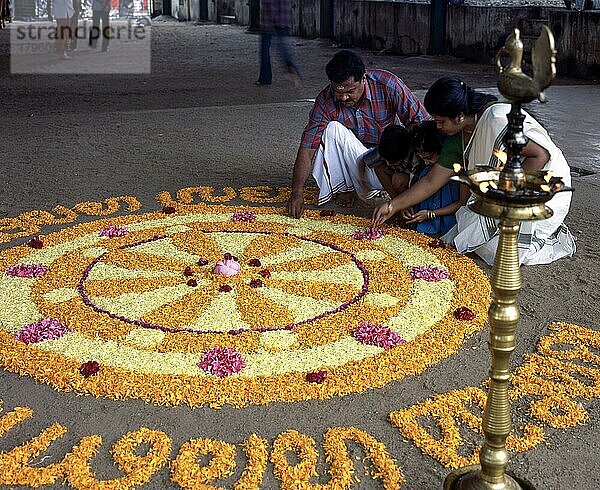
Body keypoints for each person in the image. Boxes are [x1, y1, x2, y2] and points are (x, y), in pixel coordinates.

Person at [373, 76, 576, 266]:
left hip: (543, 186)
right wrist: (392, 206)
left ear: (460, 116)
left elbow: (540, 156)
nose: (438, 127)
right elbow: (430, 182)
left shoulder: (496, 120)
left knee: (498, 252)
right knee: (468, 233)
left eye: (441, 121)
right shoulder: (457, 138)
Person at [286, 50, 429, 218]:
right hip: (363, 164)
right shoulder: (325, 100)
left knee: (402, 175)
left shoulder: (388, 85)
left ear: (364, 79)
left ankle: (367, 188)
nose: (344, 97)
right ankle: (347, 187)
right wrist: (297, 192)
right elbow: (308, 147)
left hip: (390, 160)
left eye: (350, 91)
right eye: (338, 92)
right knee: (332, 130)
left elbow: (421, 123)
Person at [400, 120, 463, 235]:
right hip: (426, 223)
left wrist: (431, 214)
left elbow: (461, 203)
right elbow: (418, 192)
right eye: (422, 158)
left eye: (429, 157)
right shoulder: (425, 170)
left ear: (443, 150)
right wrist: (406, 205)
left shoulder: (457, 173)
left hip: (450, 223)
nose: (426, 162)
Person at [256, 0, 301, 86]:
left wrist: (270, 22)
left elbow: (272, 6)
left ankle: (265, 78)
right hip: (284, 20)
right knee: (282, 47)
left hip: (270, 22)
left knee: (265, 50)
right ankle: (291, 67)